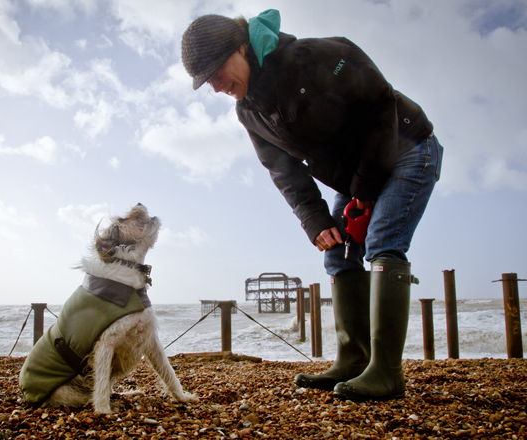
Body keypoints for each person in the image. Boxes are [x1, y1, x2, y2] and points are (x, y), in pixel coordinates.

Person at [181, 9, 443, 401]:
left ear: (241, 48)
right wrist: (316, 221)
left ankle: (387, 374)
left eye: (217, 72)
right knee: (336, 253)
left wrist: (367, 189)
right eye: (207, 83)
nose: (216, 87)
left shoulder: (313, 57)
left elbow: (378, 104)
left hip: (408, 147)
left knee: (384, 242)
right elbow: (284, 171)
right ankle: (354, 360)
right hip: (356, 178)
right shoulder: (248, 112)